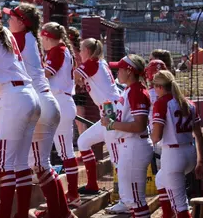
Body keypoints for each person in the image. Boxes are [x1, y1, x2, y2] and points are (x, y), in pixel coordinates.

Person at [4, 2, 74, 218]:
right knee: (42, 165)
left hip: (42, 104)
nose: (8, 20)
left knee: (39, 165)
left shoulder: (21, 37)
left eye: (12, 17)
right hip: (49, 101)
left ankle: (57, 213)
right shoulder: (31, 39)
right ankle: (61, 212)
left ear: (22, 22)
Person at [0, 0, 40, 218]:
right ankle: (21, 214)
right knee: (21, 163)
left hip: (12, 97)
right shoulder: (5, 31)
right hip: (29, 95)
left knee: (4, 164)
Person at [74, 39, 128, 213]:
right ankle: (92, 185)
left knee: (116, 158)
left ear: (88, 51)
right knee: (83, 142)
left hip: (111, 110)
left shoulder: (93, 62)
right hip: (107, 109)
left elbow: (75, 75)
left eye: (81, 50)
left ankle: (126, 201)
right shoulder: (98, 62)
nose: (80, 53)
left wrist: (77, 76)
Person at [151, 70, 203, 218]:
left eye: (155, 85)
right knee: (160, 179)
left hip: (173, 155)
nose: (154, 89)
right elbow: (199, 136)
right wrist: (200, 161)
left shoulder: (162, 102)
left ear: (160, 87)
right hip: (190, 152)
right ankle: (167, 215)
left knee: (181, 206)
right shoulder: (188, 102)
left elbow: (156, 137)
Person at [103, 55, 153, 218]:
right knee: (132, 200)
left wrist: (111, 124)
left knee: (136, 200)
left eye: (120, 68)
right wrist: (111, 119)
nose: (117, 72)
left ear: (129, 71)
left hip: (134, 146)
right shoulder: (129, 90)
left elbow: (139, 126)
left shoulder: (137, 92)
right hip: (128, 146)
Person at [41, 22, 80, 208]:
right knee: (65, 152)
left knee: (65, 152)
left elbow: (46, 74)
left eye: (43, 38)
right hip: (62, 101)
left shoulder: (57, 50)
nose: (42, 41)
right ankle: (71, 194)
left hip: (60, 102)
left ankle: (72, 194)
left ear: (47, 36)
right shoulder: (62, 49)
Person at [68, 28, 88, 137]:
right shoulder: (77, 50)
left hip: (77, 89)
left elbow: (77, 73)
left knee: (79, 119)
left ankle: (83, 145)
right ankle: (81, 142)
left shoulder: (74, 52)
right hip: (78, 89)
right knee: (77, 118)